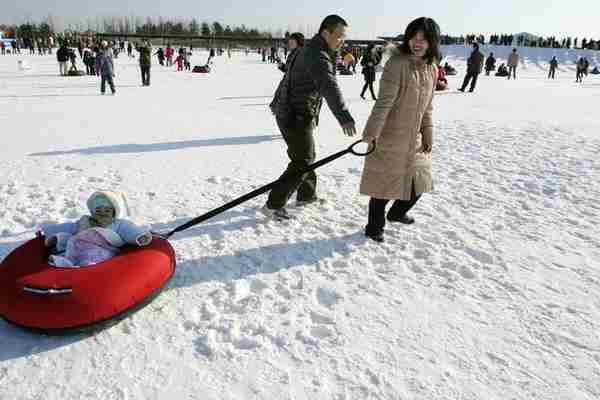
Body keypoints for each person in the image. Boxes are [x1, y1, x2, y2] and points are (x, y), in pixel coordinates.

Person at [264, 15, 357, 219]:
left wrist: (276, 103)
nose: (342, 41)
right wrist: (344, 116)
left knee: (306, 155)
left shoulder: (309, 49)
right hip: (295, 115)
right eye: (340, 36)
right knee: (303, 159)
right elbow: (329, 86)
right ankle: (274, 204)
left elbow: (287, 79)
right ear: (326, 33)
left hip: (291, 111)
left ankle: (307, 194)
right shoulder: (318, 55)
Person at [359, 17, 440, 242]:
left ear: (432, 42)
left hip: (414, 138)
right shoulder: (397, 64)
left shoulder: (432, 68)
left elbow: (428, 107)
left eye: (424, 39)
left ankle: (397, 213)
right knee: (383, 187)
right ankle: (374, 227)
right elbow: (383, 102)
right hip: (390, 136)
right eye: (414, 37)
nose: (418, 43)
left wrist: (428, 132)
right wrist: (372, 133)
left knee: (420, 183)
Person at [41, 191, 152, 268]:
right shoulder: (85, 221)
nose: (102, 214)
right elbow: (70, 227)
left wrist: (139, 236)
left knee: (91, 257)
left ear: (113, 213)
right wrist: (49, 231)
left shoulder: (118, 224)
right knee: (67, 242)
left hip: (102, 249)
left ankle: (88, 268)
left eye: (107, 211)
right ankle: (63, 262)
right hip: (79, 246)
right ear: (92, 212)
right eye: (98, 211)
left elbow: (129, 230)